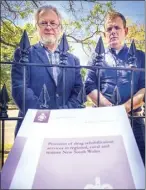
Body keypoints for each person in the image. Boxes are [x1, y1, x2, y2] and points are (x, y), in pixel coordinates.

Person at [11, 5, 83, 136]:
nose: (48, 27)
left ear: (60, 28)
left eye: (53, 23)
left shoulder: (73, 60)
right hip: (33, 127)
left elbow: (78, 91)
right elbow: (19, 88)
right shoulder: (24, 54)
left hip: (65, 128)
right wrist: (45, 115)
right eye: (43, 23)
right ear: (37, 28)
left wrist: (64, 113)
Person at [85, 11, 145, 164]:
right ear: (105, 34)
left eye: (117, 28)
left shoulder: (140, 56)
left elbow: (144, 87)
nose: (112, 32)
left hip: (134, 120)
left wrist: (123, 109)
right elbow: (89, 85)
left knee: (138, 166)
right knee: (103, 166)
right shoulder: (97, 58)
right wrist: (110, 108)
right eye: (109, 29)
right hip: (103, 120)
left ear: (125, 31)